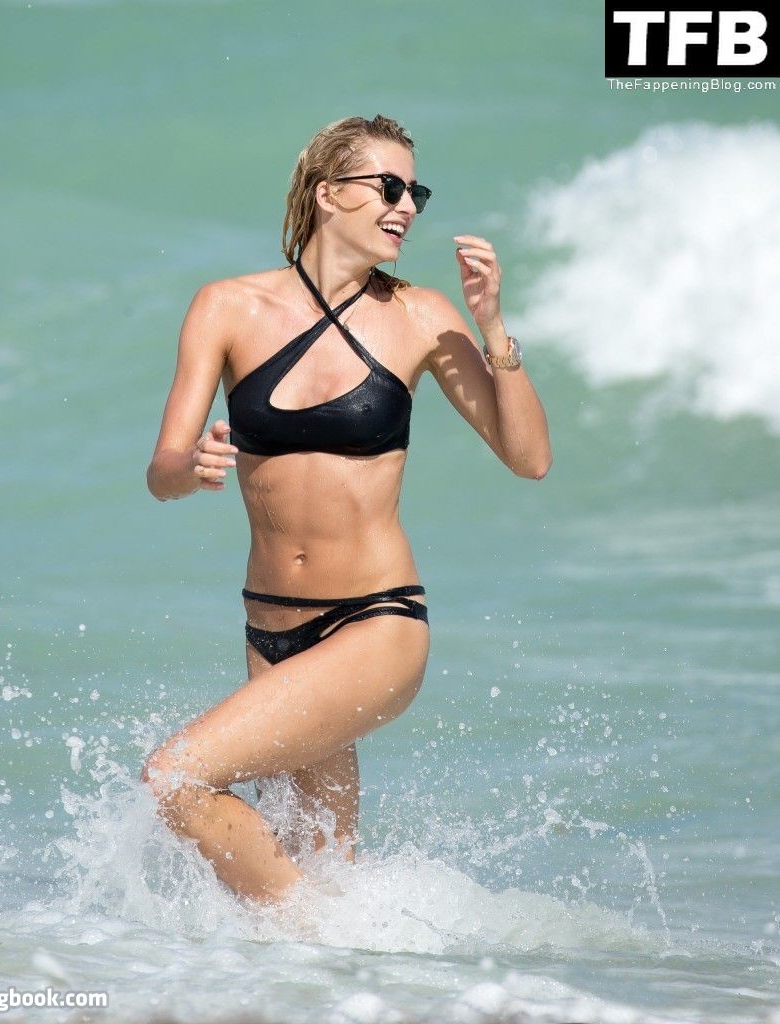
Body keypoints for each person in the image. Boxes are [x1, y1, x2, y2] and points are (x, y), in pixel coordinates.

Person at [141, 114, 551, 904]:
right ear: (328, 193)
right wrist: (189, 469)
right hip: (270, 631)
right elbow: (161, 472)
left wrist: (492, 326)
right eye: (388, 187)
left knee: (175, 777)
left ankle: (307, 937)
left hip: (374, 623)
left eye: (414, 193)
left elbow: (528, 458)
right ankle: (354, 964)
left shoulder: (420, 315)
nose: (405, 208)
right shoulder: (225, 306)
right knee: (325, 870)